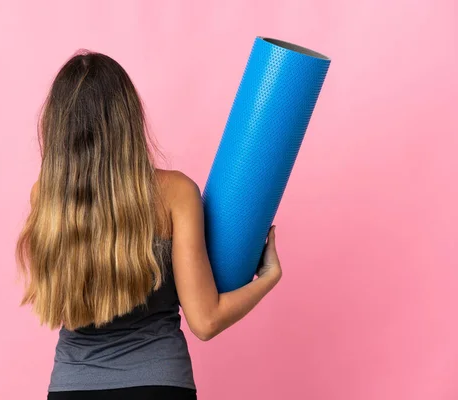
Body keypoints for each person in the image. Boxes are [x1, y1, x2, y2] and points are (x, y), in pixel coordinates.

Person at [15, 50, 282, 400]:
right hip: (160, 384)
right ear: (127, 119)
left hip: (72, 387)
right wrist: (269, 277)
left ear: (58, 126)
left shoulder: (45, 197)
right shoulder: (176, 194)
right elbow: (205, 321)